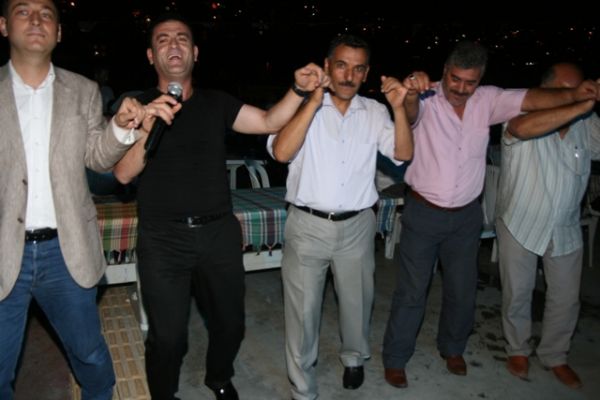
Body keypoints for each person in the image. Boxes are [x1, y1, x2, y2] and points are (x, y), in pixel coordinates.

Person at [112, 13, 325, 400]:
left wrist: (297, 89)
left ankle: (219, 378)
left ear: (195, 53)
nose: (173, 44)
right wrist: (146, 130)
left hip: (218, 233)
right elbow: (123, 174)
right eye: (163, 39)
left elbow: (267, 121)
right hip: (163, 239)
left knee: (231, 325)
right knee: (168, 338)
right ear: (150, 55)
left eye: (182, 38)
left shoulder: (216, 102)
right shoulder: (135, 106)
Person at [381, 41, 600, 389]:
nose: (460, 88)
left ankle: (453, 348)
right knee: (412, 291)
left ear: (480, 80)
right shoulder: (425, 97)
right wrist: (409, 93)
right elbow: (408, 114)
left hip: (466, 216)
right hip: (424, 212)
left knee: (463, 289)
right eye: (455, 79)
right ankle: (395, 358)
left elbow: (531, 98)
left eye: (470, 82)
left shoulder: (488, 100)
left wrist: (576, 96)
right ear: (445, 72)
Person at [0, 0, 149, 399]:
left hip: (64, 252)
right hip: (3, 251)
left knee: (91, 356)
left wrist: (120, 128)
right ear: (3, 25)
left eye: (46, 13)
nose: (36, 20)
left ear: (59, 31)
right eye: (23, 11)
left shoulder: (83, 90)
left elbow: (97, 158)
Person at [268, 34, 413, 400]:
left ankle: (354, 358)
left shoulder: (374, 111)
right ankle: (302, 388)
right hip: (307, 225)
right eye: (342, 65)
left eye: (358, 68)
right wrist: (313, 102)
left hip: (357, 226)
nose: (349, 76)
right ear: (327, 66)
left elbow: (403, 153)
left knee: (357, 302)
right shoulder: (300, 104)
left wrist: (398, 108)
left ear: (367, 73)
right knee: (302, 313)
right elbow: (281, 152)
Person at [496, 62, 600, 389]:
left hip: (566, 226)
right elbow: (520, 130)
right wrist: (579, 103)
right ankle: (517, 349)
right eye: (566, 90)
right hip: (521, 221)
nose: (574, 94)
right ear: (544, 90)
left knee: (566, 298)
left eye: (579, 89)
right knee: (518, 293)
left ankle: (555, 355)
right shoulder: (522, 114)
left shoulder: (587, 124)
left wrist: (587, 108)